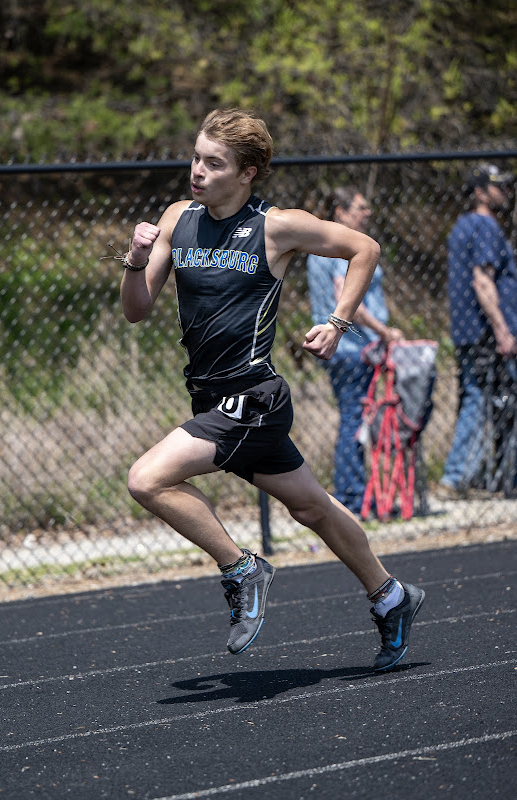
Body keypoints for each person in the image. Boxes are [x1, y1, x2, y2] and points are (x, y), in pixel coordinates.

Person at [117, 108, 424, 672]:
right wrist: (135, 262)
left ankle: (241, 570)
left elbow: (366, 249)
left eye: (214, 164)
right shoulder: (176, 218)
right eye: (196, 158)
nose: (197, 172)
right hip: (211, 398)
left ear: (249, 172)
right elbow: (136, 311)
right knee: (312, 508)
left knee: (147, 478)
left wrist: (337, 323)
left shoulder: (274, 226)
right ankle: (391, 596)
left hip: (254, 398)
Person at [307, 187, 403, 515]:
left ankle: (358, 492)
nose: (367, 213)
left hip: (348, 348)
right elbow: (346, 296)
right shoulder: (338, 246)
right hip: (350, 348)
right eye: (360, 208)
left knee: (355, 418)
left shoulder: (324, 244)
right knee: (354, 420)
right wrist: (384, 331)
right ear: (340, 212)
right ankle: (353, 495)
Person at [440, 163, 517, 495]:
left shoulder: (462, 226)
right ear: (480, 193)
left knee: (481, 397)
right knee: (480, 397)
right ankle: (457, 476)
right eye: (498, 186)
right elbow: (482, 281)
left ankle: (474, 474)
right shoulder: (485, 227)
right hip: (486, 331)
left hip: (470, 330)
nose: (506, 192)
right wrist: (502, 329)